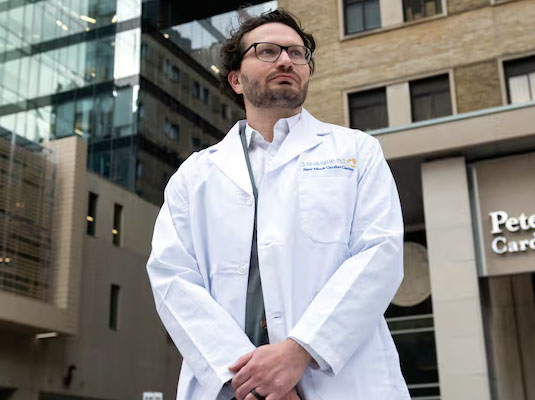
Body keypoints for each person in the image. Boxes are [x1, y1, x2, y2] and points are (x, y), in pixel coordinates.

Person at [146, 8, 410, 400]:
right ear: (236, 79)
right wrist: (254, 380)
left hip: (341, 383)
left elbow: (380, 255)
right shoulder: (195, 175)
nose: (286, 60)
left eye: (297, 53)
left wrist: (299, 352)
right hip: (231, 388)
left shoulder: (357, 151)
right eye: (268, 51)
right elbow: (172, 278)